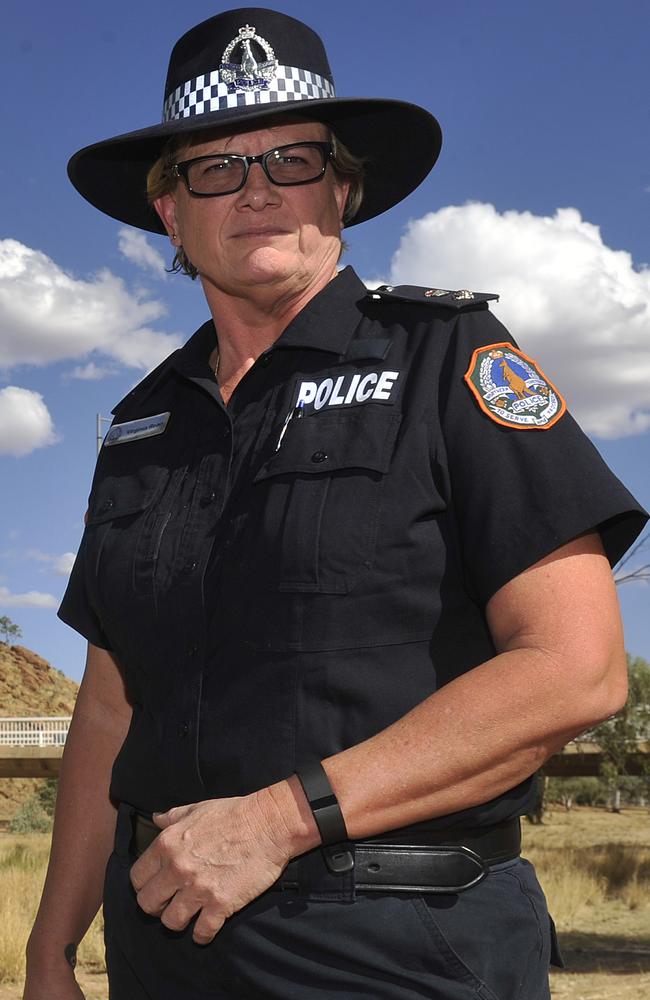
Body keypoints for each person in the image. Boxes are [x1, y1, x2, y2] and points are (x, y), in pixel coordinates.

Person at [24, 8, 647, 1000]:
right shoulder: (143, 428)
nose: (258, 189)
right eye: (216, 167)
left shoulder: (447, 356)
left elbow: (574, 671)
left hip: (398, 948)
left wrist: (277, 818)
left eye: (291, 159)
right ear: (169, 212)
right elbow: (110, 704)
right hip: (160, 952)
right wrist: (51, 948)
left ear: (342, 188)